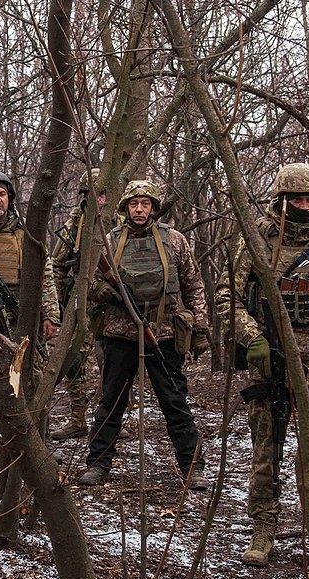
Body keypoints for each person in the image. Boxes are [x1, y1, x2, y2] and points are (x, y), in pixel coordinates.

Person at [214, 162, 309, 567]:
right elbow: (225, 300)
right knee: (267, 451)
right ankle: (263, 527)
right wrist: (253, 339)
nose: (304, 205)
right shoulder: (257, 244)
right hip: (273, 364)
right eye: (296, 198)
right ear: (280, 200)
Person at [79, 179, 211, 490]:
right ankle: (98, 463)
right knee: (111, 401)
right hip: (120, 333)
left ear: (153, 207)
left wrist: (201, 330)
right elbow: (89, 284)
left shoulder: (175, 241)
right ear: (125, 207)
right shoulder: (109, 241)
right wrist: (108, 294)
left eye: (146, 203)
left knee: (174, 401)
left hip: (163, 333)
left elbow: (194, 286)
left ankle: (192, 467)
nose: (140, 209)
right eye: (134, 204)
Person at [49, 168, 106, 440]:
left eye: (102, 194)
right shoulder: (77, 222)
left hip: (112, 306)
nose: (98, 200)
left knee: (114, 364)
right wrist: (59, 304)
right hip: (80, 301)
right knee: (75, 361)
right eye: (91, 194)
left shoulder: (119, 223)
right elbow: (59, 264)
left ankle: (111, 419)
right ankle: (78, 418)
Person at [0, 171, 59, 338]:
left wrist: (51, 315)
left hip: (20, 312)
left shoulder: (25, 230)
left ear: (9, 198)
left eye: (2, 194)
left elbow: (45, 274)